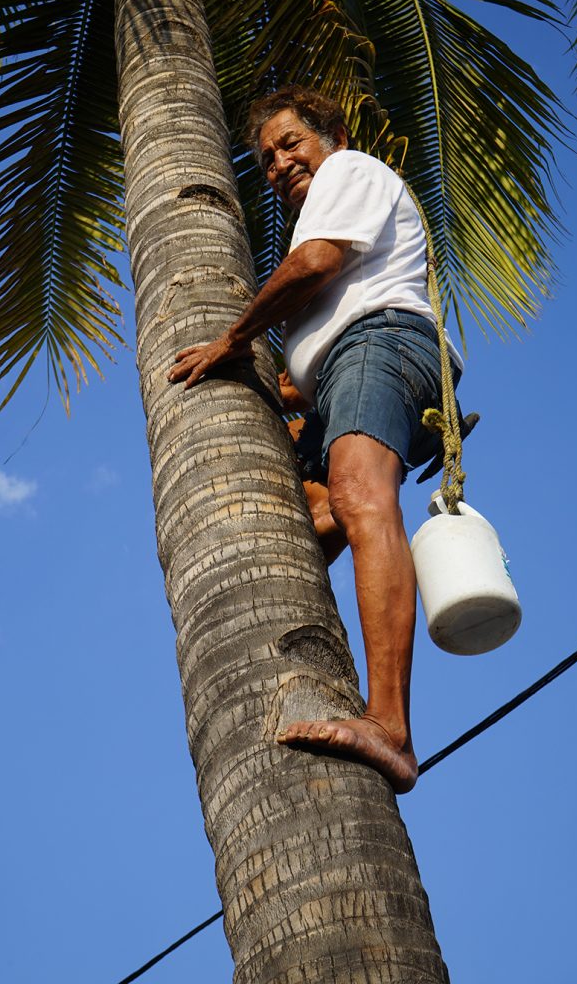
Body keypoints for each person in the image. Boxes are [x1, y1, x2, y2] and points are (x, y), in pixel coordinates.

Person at [167, 86, 464, 794]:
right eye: (265, 158)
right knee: (307, 516)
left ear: (328, 134)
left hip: (383, 346)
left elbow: (317, 265)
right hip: (347, 369)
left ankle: (389, 725)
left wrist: (234, 337)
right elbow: (315, 340)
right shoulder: (327, 205)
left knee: (362, 499)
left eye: (289, 143)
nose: (278, 163)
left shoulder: (349, 172)